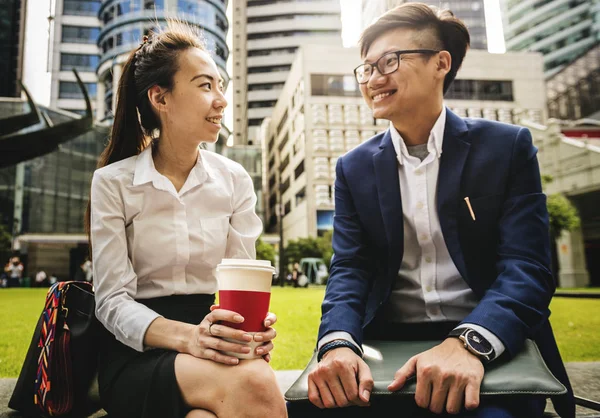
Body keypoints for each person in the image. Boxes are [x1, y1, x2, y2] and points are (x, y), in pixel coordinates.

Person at [295, 4, 575, 418]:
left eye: (389, 61)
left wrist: (469, 344)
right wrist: (336, 342)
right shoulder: (352, 168)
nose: (373, 78)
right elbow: (350, 268)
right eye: (366, 68)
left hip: (488, 338)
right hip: (385, 344)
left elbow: (527, 268)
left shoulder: (506, 147)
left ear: (440, 63)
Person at [85, 21, 287, 418]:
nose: (221, 100)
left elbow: (240, 280)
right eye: (205, 85)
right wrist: (189, 339)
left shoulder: (234, 181)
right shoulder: (112, 183)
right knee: (257, 382)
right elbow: (110, 301)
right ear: (161, 97)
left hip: (211, 343)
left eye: (220, 85)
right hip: (135, 353)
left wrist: (251, 329)